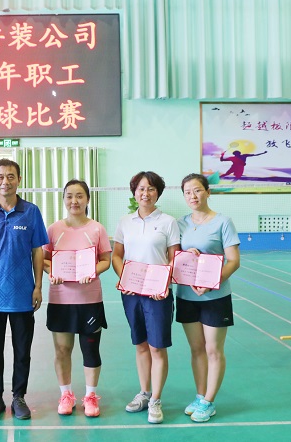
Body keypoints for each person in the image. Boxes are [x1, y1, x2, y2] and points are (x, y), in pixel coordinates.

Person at [0, 158, 49, 421]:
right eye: (0, 176)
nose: (6, 181)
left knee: (22, 350)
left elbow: (37, 251)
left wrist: (38, 286)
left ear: (19, 180)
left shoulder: (31, 212)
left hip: (23, 294)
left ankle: (19, 397)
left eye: (11, 176)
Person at [111, 171, 180, 425]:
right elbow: (116, 256)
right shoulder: (124, 222)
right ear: (134, 192)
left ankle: (156, 400)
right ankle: (144, 392)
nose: (145, 193)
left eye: (151, 189)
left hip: (158, 294)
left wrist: (163, 283)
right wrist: (124, 278)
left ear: (158, 193)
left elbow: (174, 258)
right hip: (131, 294)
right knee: (140, 345)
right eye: (141, 188)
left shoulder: (168, 222)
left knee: (157, 347)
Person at [42, 180, 112, 418]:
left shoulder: (97, 229)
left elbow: (106, 260)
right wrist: (52, 271)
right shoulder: (54, 229)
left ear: (87, 199)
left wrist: (92, 271)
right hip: (61, 300)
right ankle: (66, 395)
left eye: (80, 196)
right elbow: (44, 259)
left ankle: (90, 396)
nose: (74, 201)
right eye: (70, 196)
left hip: (90, 300)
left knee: (90, 349)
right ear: (64, 199)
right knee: (62, 349)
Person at [176, 173, 240, 423]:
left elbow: (233, 261)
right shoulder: (180, 224)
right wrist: (186, 254)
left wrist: (211, 283)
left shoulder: (223, 222)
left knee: (213, 349)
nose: (192, 196)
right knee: (196, 349)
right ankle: (200, 395)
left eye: (197, 190)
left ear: (208, 192)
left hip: (216, 297)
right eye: (187, 192)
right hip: (187, 296)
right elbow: (175, 259)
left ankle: (209, 401)